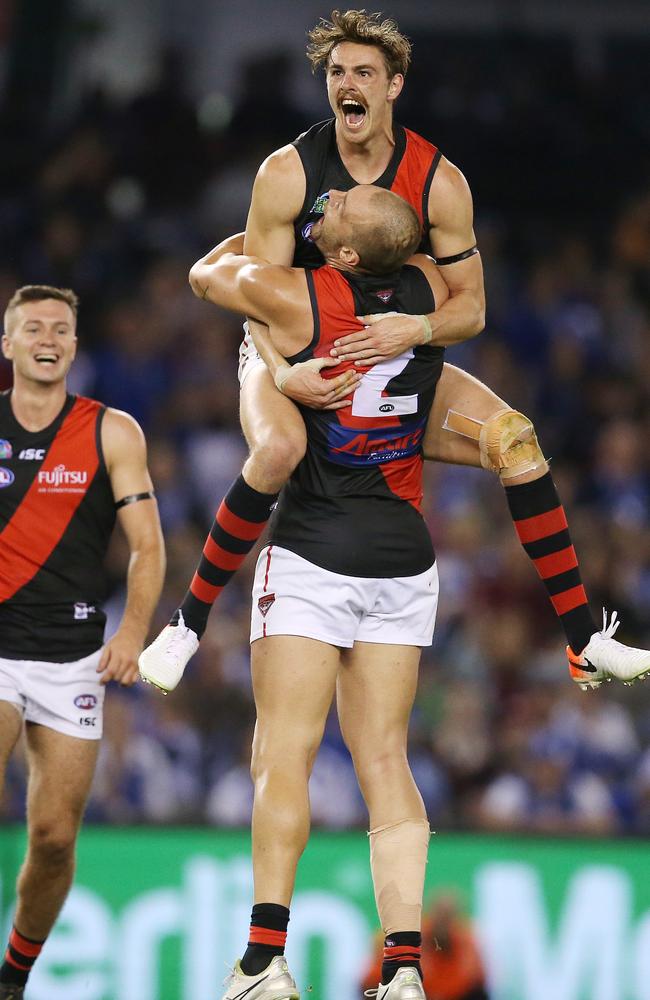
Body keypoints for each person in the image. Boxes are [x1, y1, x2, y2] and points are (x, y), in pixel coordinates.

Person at [141, 8, 650, 693]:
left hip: (392, 346)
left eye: (364, 73)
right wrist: (285, 371)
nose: (346, 84)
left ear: (394, 86)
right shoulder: (287, 172)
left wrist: (415, 331)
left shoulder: (440, 180)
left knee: (517, 441)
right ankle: (185, 627)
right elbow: (251, 293)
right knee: (279, 452)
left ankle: (584, 641)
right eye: (336, 72)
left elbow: (471, 308)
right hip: (292, 344)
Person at [146, 184, 450, 1000]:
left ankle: (263, 961)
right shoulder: (426, 289)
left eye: (345, 210)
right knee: (386, 760)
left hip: (317, 545)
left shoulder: (297, 291)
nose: (338, 196)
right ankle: (406, 968)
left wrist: (272, 234)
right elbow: (462, 295)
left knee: (284, 754)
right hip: (405, 551)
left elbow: (207, 273)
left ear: (346, 256)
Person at [0, 285, 165, 1000]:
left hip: (73, 656)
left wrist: (132, 632)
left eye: (60, 329)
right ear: (7, 344)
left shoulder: (111, 432)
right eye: (32, 327)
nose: (47, 337)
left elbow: (148, 547)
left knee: (55, 838)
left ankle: (14, 978)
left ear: (73, 345)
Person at [361, 892, 489, 1000]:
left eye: (448, 917)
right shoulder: (407, 936)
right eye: (440, 916)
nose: (443, 923)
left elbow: (476, 981)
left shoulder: (465, 941)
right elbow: (371, 982)